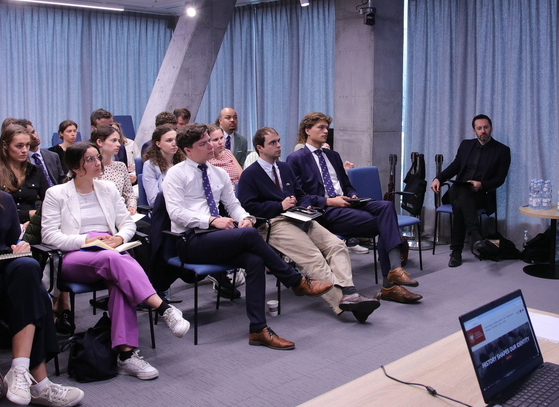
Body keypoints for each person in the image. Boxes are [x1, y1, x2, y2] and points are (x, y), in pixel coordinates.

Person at [162, 123, 332, 350]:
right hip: (190, 241)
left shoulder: (218, 173)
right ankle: (296, 281)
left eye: (210, 140)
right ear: (188, 150)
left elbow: (234, 205)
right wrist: (211, 220)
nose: (211, 146)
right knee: (251, 236)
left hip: (216, 237)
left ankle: (258, 329)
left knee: (255, 260)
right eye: (203, 143)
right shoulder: (176, 174)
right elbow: (176, 213)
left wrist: (246, 218)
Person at [41, 142, 190, 380]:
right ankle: (163, 308)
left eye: (97, 157)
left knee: (120, 282)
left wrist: (119, 237)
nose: (98, 163)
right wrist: (86, 241)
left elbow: (127, 223)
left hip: (110, 250)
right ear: (75, 167)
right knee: (115, 259)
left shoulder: (108, 188)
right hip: (74, 256)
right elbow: (49, 236)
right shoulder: (56, 194)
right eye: (90, 159)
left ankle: (126, 355)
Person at [237, 127, 380, 322]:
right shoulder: (250, 174)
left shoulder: (284, 168)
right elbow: (248, 207)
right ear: (259, 148)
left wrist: (305, 205)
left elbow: (301, 194)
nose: (278, 145)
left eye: (278, 141)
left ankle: (350, 292)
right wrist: (279, 205)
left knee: (337, 245)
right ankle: (345, 303)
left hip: (299, 216)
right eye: (272, 143)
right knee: (313, 257)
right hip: (273, 222)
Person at [0, 148, 85, 406]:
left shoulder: (3, 200)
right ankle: (40, 383)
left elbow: (10, 242)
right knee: (36, 295)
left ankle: (19, 368)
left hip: (3, 267)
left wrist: (20, 247)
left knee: (26, 266)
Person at [286, 112, 422, 304]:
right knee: (385, 223)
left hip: (348, 204)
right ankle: (390, 284)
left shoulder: (333, 155)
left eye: (326, 128)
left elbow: (347, 185)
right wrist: (330, 201)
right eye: (320, 128)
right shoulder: (296, 159)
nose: (325, 131)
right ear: (307, 130)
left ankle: (394, 271)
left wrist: (353, 195)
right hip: (326, 211)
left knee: (386, 206)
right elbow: (300, 196)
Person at [430, 114, 511, 267]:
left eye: (486, 127)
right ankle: (475, 235)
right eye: (479, 128)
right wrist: (438, 178)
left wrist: (481, 184)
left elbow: (500, 179)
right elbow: (455, 166)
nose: (483, 131)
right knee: (462, 191)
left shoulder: (502, 150)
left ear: (491, 128)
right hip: (457, 190)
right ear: (474, 131)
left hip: (480, 194)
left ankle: (456, 252)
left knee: (460, 204)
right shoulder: (466, 145)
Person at [0, 125, 49, 226]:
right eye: (19, 146)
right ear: (5, 145)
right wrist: (28, 214)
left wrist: (35, 220)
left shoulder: (35, 171)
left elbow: (50, 201)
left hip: (31, 226)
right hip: (3, 225)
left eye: (27, 145)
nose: (25, 150)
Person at [90, 126, 137, 215]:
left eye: (118, 141)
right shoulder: (89, 168)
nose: (118, 144)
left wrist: (131, 207)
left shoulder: (120, 166)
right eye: (114, 140)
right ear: (99, 142)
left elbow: (129, 194)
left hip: (121, 213)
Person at [141, 124, 184, 208]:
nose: (174, 144)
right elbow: (154, 200)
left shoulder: (183, 162)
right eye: (169, 140)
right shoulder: (150, 165)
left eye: (176, 140)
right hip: (163, 210)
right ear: (158, 144)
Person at [16, 120, 65, 188]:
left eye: (33, 132)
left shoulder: (53, 156)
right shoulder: (20, 160)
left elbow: (62, 180)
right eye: (29, 135)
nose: (34, 137)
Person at [208, 123, 243, 188]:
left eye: (221, 138)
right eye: (215, 140)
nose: (220, 142)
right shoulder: (206, 159)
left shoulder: (227, 152)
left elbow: (241, 175)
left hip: (237, 189)